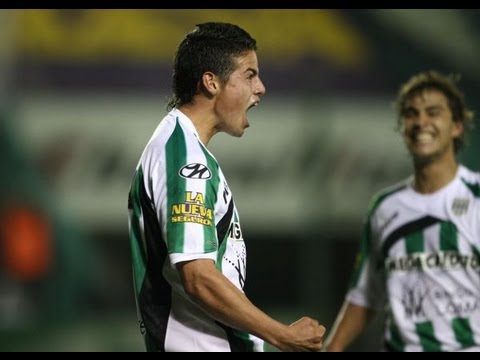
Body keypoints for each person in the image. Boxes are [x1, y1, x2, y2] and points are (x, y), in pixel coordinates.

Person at [127, 22, 325, 352]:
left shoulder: (185, 148)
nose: (260, 88)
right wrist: (282, 335)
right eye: (249, 75)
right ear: (212, 82)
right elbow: (199, 277)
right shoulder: (185, 160)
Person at [325, 70, 479, 352]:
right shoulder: (385, 208)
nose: (421, 122)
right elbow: (365, 294)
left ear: (456, 126)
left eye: (433, 112)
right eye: (411, 113)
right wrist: (331, 349)